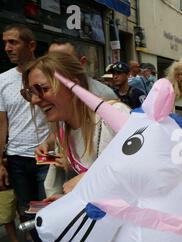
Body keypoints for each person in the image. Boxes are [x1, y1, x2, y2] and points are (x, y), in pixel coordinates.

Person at [24, 52, 130, 197]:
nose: (34, 100)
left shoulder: (113, 114)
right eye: (29, 93)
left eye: (43, 89)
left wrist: (90, 178)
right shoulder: (63, 128)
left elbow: (150, 167)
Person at [0, 24, 51, 242]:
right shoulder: (2, 80)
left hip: (47, 154)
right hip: (17, 156)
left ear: (31, 45)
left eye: (13, 42)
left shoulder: (48, 72)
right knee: (28, 208)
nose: (8, 47)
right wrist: (0, 160)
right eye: (5, 43)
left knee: (48, 205)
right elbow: (2, 123)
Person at [48, 38, 118, 101]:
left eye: (64, 60)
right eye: (51, 60)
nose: (56, 65)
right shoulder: (43, 94)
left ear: (82, 62)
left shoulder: (103, 94)